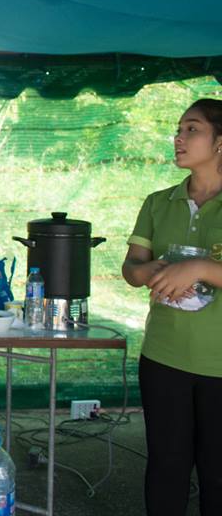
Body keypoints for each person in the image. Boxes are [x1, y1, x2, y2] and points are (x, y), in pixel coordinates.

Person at [122, 97, 222, 515]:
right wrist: (151, 272)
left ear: (220, 141)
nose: (179, 138)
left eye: (192, 129)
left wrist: (200, 268)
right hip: (163, 357)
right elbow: (131, 268)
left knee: (217, 474)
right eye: (178, 130)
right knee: (166, 467)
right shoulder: (157, 202)